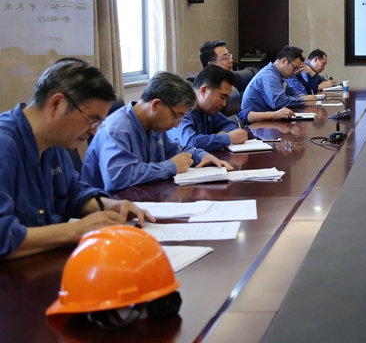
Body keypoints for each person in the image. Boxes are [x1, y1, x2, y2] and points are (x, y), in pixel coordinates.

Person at [0, 59, 152, 260]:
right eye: (92, 120)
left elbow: (72, 192)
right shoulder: (5, 145)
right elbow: (3, 237)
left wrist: (109, 206)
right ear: (56, 104)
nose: (94, 131)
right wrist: (76, 230)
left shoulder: (55, 140)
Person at [82, 72, 232, 193]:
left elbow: (175, 150)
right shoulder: (117, 129)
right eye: (177, 116)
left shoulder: (154, 125)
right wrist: (170, 167)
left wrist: (202, 156)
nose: (176, 124)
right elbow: (118, 178)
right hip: (109, 210)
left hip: (143, 199)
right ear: (156, 105)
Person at [169, 66, 249, 152]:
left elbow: (231, 124)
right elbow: (190, 142)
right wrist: (228, 138)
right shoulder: (182, 109)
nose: (224, 104)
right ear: (204, 91)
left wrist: (220, 137)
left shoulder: (208, 110)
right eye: (222, 97)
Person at [241, 45, 318, 118]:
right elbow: (278, 102)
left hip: (269, 120)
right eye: (295, 68)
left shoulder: (278, 75)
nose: (295, 72)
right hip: (256, 124)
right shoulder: (269, 76)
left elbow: (291, 91)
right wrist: (303, 100)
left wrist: (303, 97)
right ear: (284, 61)